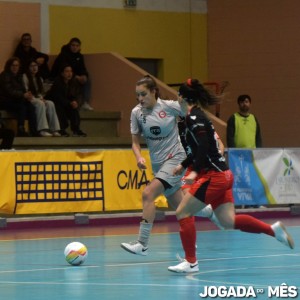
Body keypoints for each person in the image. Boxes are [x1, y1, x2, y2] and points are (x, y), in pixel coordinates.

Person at [168, 79, 294, 273]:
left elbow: (202, 148)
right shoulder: (190, 119)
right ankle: (273, 231)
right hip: (223, 175)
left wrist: (193, 171)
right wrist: (183, 165)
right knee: (227, 221)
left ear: (182, 97)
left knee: (182, 212)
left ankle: (191, 262)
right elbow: (199, 150)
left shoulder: (195, 119)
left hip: (214, 176)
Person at [120, 75, 189, 255]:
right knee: (183, 208)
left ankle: (142, 244)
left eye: (143, 94)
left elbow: (189, 112)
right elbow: (135, 142)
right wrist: (138, 157)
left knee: (148, 194)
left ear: (153, 92)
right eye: (137, 96)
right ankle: (214, 216)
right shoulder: (136, 113)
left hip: (176, 159)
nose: (140, 99)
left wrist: (184, 102)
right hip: (158, 165)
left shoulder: (169, 107)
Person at [50, 37, 93, 111]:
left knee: (87, 80)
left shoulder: (80, 56)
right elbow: (63, 69)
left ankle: (85, 103)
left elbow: (83, 68)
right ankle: (73, 102)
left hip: (73, 75)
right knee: (74, 81)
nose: (75, 47)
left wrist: (84, 76)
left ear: (79, 47)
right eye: (73, 45)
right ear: (69, 46)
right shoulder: (63, 55)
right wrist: (76, 77)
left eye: (77, 46)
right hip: (61, 76)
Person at [46, 64, 87, 137]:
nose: (69, 73)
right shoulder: (57, 82)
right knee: (59, 107)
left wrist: (74, 102)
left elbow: (72, 96)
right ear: (62, 73)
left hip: (65, 103)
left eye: (71, 71)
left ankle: (76, 130)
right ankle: (61, 129)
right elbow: (57, 98)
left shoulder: (71, 82)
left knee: (74, 108)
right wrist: (69, 103)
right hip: (54, 103)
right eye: (67, 71)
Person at [23, 60, 61, 137]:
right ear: (28, 68)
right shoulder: (25, 77)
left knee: (50, 103)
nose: (34, 68)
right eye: (32, 66)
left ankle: (54, 129)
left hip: (37, 98)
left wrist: (41, 98)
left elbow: (40, 93)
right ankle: (42, 129)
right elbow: (26, 91)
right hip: (29, 98)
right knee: (40, 103)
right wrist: (38, 99)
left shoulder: (39, 78)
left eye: (35, 66)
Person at [0, 57, 37, 137]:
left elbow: (23, 90)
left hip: (17, 100)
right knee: (22, 107)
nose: (15, 67)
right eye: (13, 65)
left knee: (31, 107)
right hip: (5, 101)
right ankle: (20, 129)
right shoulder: (5, 75)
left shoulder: (19, 76)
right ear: (8, 66)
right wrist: (23, 95)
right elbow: (9, 91)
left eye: (17, 65)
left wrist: (27, 95)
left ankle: (34, 131)